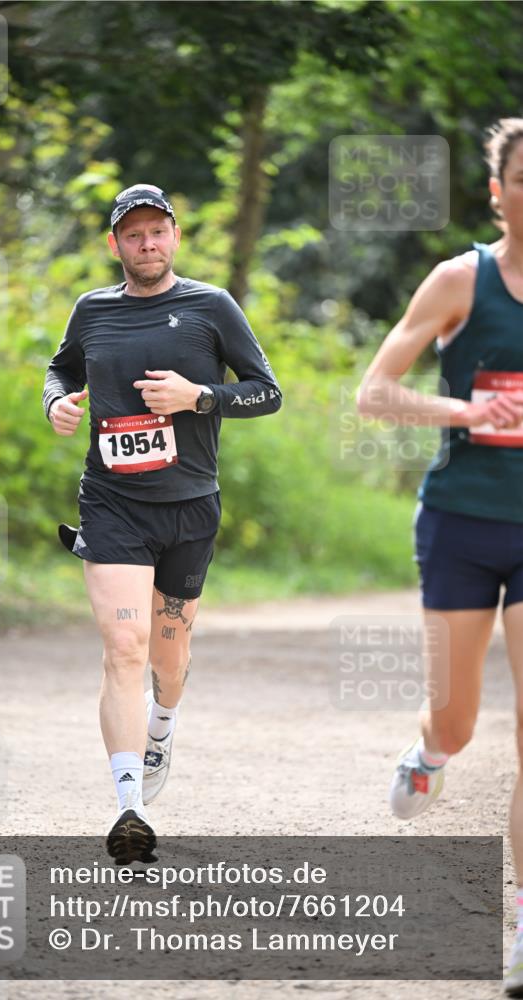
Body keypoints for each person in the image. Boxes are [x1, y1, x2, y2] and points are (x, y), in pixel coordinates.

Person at [42, 184, 282, 865]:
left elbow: (266, 391)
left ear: (173, 237)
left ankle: (163, 723)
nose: (147, 244)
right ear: (114, 244)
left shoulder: (209, 307)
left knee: (167, 661)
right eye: (133, 234)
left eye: (158, 232)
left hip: (188, 507)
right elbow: (60, 369)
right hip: (111, 503)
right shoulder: (92, 311)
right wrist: (57, 402)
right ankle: (128, 808)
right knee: (124, 648)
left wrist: (198, 396)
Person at [357, 118, 523, 996]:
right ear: (497, 191)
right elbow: (374, 392)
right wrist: (465, 414)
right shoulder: (461, 280)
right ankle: (429, 753)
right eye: (522, 179)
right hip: (461, 523)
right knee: (457, 719)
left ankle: (521, 929)